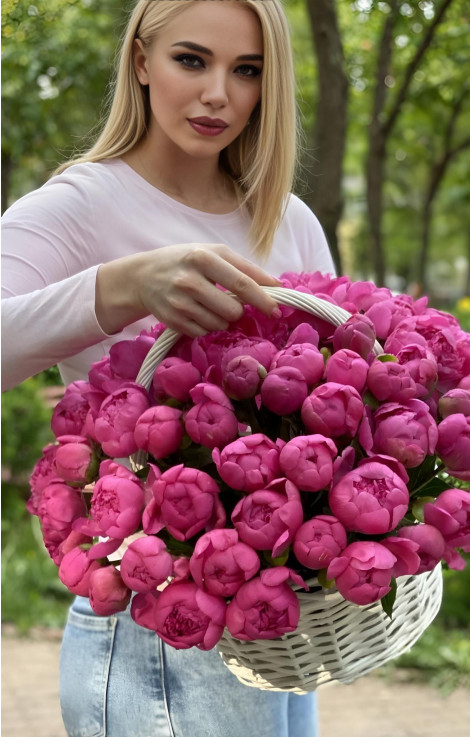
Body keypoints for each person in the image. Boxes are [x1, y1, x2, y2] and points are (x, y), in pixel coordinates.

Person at [1, 1, 336, 735]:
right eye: (193, 60)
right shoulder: (80, 206)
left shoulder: (288, 220)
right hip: (156, 628)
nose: (219, 92)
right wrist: (118, 289)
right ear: (141, 62)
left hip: (282, 633)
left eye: (246, 71)